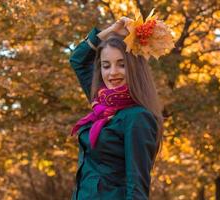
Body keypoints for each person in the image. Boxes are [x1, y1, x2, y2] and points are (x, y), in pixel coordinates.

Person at [69, 17, 163, 200]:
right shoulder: (101, 103)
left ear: (134, 68)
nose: (112, 73)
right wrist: (109, 31)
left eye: (122, 64)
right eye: (106, 65)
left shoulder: (138, 117)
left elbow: (137, 187)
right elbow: (78, 60)